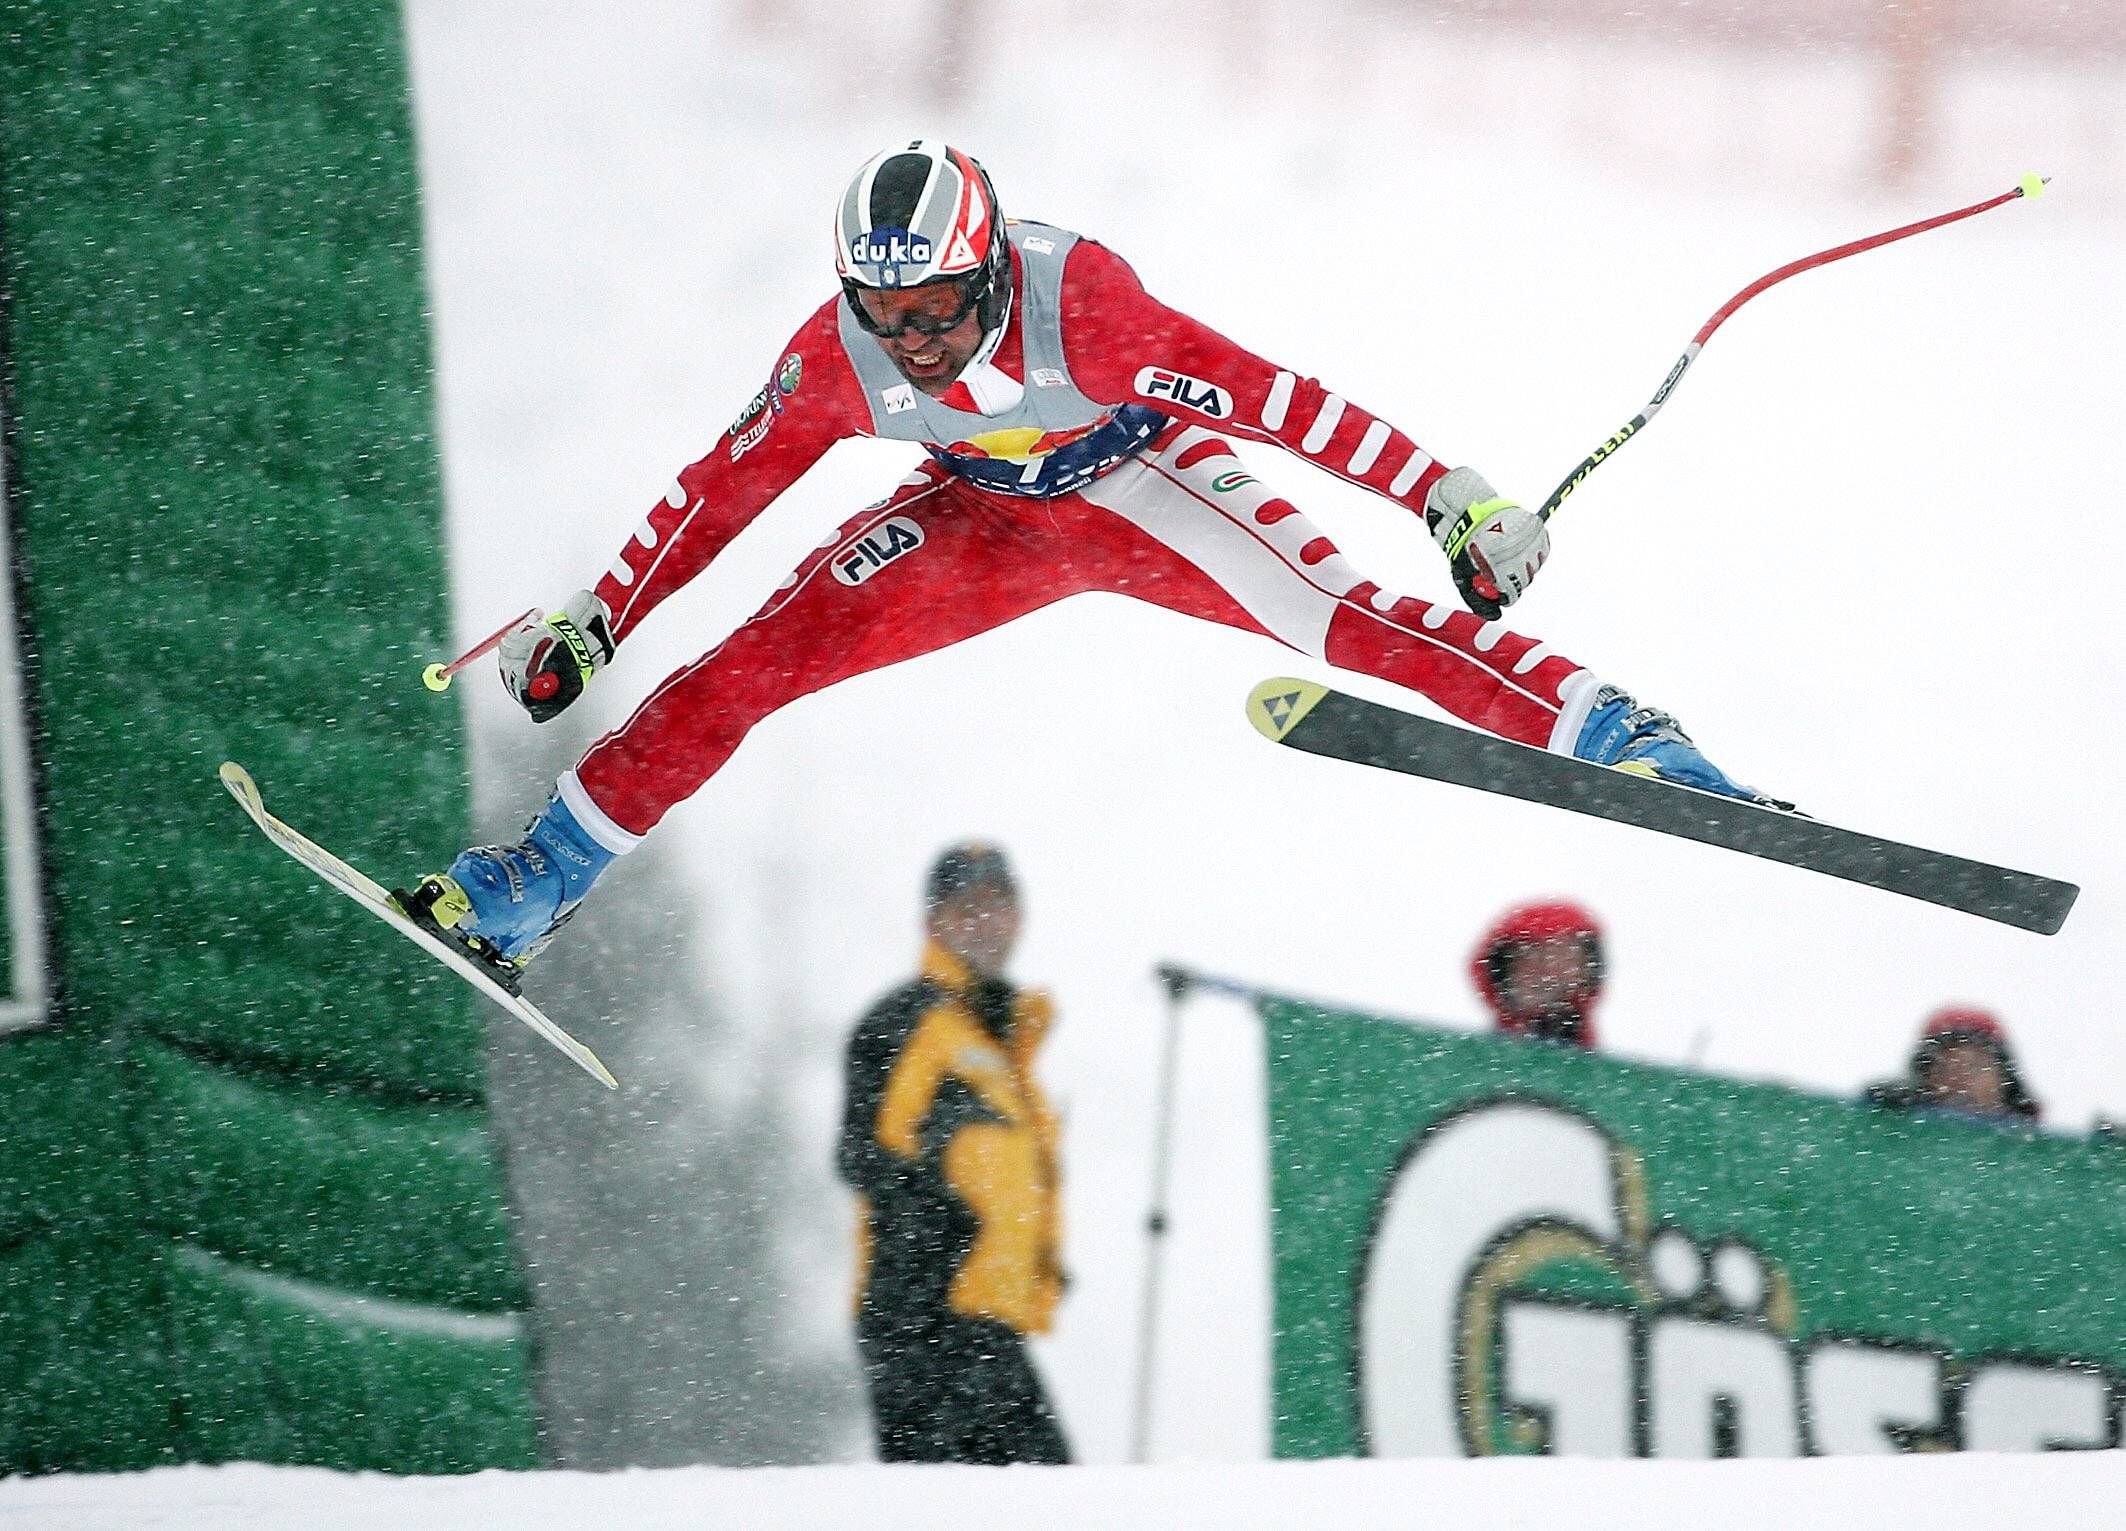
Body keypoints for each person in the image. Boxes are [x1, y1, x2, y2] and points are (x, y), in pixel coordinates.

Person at [395, 140, 1778, 975]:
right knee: (752, 665)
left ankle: (1616, 729)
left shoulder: (1090, 313)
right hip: (974, 520)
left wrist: (1451, 497)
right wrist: (599, 616)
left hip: (1139, 483)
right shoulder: (841, 357)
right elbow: (718, 491)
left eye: (934, 303)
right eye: (883, 307)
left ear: (986, 267)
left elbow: (1282, 400)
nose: (913, 337)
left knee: (1352, 624)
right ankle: (535, 882)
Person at [835, 843, 1069, 1464]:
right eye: (965, 907)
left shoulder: (1000, 1039)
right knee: (1040, 1501)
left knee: (1037, 1503)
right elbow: (863, 1155)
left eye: (998, 904)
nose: (984, 922)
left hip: (983, 1322)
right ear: (932, 923)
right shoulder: (911, 1023)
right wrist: (947, 1240)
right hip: (927, 1319)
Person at [1863, 1007, 2042, 1125]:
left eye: (1976, 1067)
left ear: (2004, 1077)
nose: (1961, 1080)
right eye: (1945, 1069)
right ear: (1925, 1079)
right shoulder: (1900, 1133)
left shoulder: (2032, 1152)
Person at [1471, 900, 1605, 1049]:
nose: (1549, 974)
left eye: (1564, 957)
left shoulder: (1601, 1068)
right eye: (1531, 956)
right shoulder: (1475, 1062)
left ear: (1586, 972)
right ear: (1503, 974)